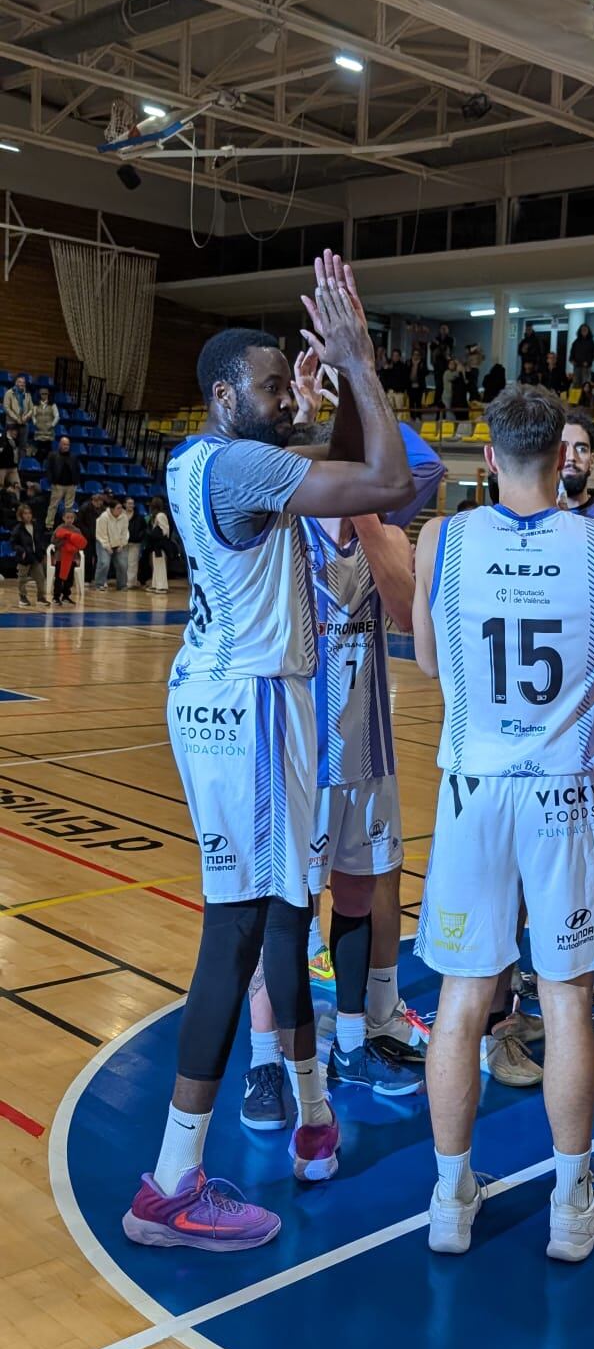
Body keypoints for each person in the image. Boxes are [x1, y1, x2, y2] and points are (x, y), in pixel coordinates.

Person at [122, 255, 417, 1256]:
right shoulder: (240, 467)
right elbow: (387, 479)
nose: (281, 392)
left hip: (267, 704)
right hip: (244, 711)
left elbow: (345, 475)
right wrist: (360, 366)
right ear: (220, 397)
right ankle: (172, 1179)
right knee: (239, 929)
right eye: (267, 382)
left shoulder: (217, 460)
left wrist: (323, 390)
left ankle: (313, 1111)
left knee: (289, 913)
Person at [411, 383, 594, 1260]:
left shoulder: (442, 536)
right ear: (566, 457)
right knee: (569, 995)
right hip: (565, 793)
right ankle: (572, 1203)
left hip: (474, 791)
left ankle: (448, 1197)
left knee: (464, 999)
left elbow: (431, 661)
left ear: (487, 458)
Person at [242, 513, 435, 1127]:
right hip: (299, 758)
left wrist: (374, 528)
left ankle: (351, 1047)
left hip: (366, 753)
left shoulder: (384, 537)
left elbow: (407, 617)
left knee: (354, 895)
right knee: (286, 912)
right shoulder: (284, 531)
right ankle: (264, 1062)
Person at [12, 502, 49, 606]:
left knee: (41, 577)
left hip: (36, 557)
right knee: (22, 579)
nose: (28, 515)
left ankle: (41, 598)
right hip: (24, 558)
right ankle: (22, 597)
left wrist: (42, 551)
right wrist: (22, 551)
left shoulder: (36, 526)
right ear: (20, 515)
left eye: (29, 513)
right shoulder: (18, 528)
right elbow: (13, 544)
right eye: (25, 513)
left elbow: (40, 540)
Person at [94, 495, 130, 589]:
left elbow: (125, 532)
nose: (120, 510)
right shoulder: (104, 517)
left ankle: (122, 585)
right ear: (111, 509)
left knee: (123, 564)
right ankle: (99, 584)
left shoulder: (124, 517)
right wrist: (107, 546)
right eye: (118, 508)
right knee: (104, 563)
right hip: (103, 542)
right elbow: (102, 533)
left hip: (119, 543)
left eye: (121, 508)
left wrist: (122, 544)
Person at [51, 509, 86, 604]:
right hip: (60, 557)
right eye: (67, 517)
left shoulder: (77, 530)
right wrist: (65, 540)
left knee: (70, 578)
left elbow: (81, 544)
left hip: (72, 557)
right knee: (59, 577)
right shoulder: (59, 529)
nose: (69, 520)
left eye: (71, 518)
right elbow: (53, 542)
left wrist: (77, 557)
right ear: (63, 518)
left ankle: (66, 596)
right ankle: (56, 597)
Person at [44, 436, 77, 529]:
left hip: (71, 485)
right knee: (53, 506)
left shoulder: (73, 457)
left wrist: (75, 482)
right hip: (58, 485)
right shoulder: (53, 455)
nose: (66, 446)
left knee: (69, 508)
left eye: (67, 444)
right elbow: (49, 469)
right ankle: (49, 525)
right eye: (64, 444)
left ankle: (68, 525)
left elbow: (77, 469)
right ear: (60, 444)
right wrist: (52, 481)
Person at [145, 502, 172, 592]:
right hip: (156, 544)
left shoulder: (160, 515)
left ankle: (162, 586)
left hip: (160, 545)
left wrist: (155, 534)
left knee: (160, 565)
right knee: (156, 564)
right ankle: (155, 584)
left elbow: (165, 530)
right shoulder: (156, 516)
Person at [3, 375, 33, 451]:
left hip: (24, 423)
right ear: (16, 383)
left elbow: (32, 409)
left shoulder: (28, 394)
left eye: (23, 382)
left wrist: (26, 417)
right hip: (12, 423)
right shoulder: (9, 393)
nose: (22, 384)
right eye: (20, 382)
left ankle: (21, 462)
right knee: (9, 446)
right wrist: (16, 418)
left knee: (22, 447)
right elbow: (6, 408)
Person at [30, 387, 59, 463]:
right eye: (42, 394)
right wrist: (35, 423)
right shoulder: (36, 405)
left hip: (48, 432)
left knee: (48, 451)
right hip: (39, 431)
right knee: (39, 451)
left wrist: (52, 425)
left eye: (46, 393)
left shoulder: (52, 405)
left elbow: (57, 416)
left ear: (48, 394)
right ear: (40, 395)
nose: (44, 395)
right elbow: (33, 415)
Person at [124, 496, 146, 589]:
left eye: (132, 503)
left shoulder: (139, 517)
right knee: (123, 563)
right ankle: (123, 581)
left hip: (135, 543)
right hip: (123, 543)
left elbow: (144, 529)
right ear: (124, 504)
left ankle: (131, 582)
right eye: (129, 503)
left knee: (132, 563)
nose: (131, 505)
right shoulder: (121, 516)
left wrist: (139, 537)